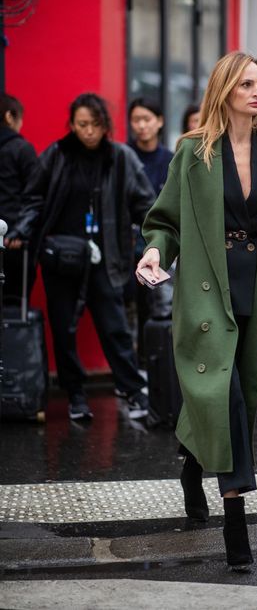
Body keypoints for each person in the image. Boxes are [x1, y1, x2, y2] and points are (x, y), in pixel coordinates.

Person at [137, 52, 257, 571]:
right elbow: (164, 220)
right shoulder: (194, 153)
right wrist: (154, 251)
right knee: (228, 397)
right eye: (246, 84)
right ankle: (236, 527)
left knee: (234, 395)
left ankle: (191, 462)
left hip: (255, 291)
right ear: (224, 91)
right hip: (205, 289)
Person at [19, 93, 156, 420]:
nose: (89, 131)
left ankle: (134, 390)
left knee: (115, 327)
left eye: (95, 124)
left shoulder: (120, 157)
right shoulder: (57, 154)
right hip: (61, 258)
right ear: (72, 124)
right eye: (82, 125)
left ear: (105, 125)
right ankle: (76, 395)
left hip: (106, 258)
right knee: (64, 329)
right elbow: (33, 199)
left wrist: (159, 241)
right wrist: (22, 230)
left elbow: (145, 204)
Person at [128, 98, 174, 366]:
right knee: (130, 307)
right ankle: (137, 365)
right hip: (129, 241)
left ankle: (151, 364)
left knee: (157, 305)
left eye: (147, 119)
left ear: (159, 121)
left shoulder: (170, 159)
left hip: (158, 242)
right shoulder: (125, 155)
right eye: (136, 120)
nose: (142, 126)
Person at [0, 94, 40, 300]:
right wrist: (19, 232)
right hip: (14, 243)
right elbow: (36, 195)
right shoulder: (21, 149)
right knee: (14, 303)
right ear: (9, 116)